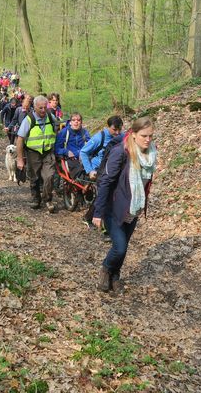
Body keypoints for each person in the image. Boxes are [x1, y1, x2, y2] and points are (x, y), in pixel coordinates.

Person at [93, 117, 157, 293]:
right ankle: (106, 269)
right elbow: (105, 182)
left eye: (151, 136)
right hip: (114, 207)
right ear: (133, 134)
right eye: (144, 135)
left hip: (133, 208)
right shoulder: (121, 152)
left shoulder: (151, 154)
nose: (148, 140)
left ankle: (115, 276)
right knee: (119, 247)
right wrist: (98, 212)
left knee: (124, 246)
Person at [16, 96, 58, 212]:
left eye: (45, 107)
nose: (44, 110)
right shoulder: (28, 120)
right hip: (32, 153)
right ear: (34, 107)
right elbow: (20, 139)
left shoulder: (50, 116)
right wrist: (20, 159)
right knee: (34, 177)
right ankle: (36, 199)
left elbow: (57, 129)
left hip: (48, 152)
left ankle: (48, 200)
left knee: (49, 176)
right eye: (40, 108)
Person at [79, 116, 123, 181]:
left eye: (119, 129)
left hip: (113, 167)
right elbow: (83, 152)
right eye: (114, 129)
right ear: (108, 126)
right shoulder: (99, 138)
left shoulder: (121, 136)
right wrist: (90, 171)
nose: (117, 132)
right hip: (99, 169)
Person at [55, 113, 90, 179]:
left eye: (78, 120)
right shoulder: (64, 132)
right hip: (69, 158)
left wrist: (83, 153)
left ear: (81, 122)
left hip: (83, 156)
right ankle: (85, 183)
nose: (76, 122)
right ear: (70, 122)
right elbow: (57, 148)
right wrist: (67, 152)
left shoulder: (84, 132)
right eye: (73, 120)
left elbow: (91, 144)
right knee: (77, 167)